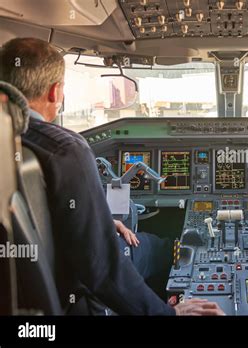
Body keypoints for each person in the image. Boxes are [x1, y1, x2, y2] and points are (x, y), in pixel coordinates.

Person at [0, 37, 224, 316]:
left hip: (31, 288)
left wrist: (100, 220)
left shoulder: (12, 141)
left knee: (151, 245)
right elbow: (102, 267)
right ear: (55, 92)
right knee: (158, 247)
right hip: (74, 292)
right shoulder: (65, 149)